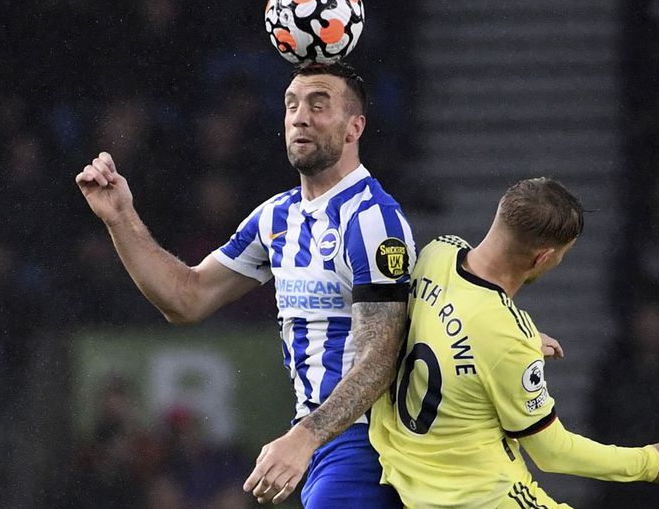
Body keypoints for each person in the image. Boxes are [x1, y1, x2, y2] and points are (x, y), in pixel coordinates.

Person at [75, 62, 415, 507]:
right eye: (291, 105)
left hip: (368, 442)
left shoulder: (373, 220)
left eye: (318, 105)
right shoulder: (276, 217)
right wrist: (120, 217)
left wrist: (304, 437)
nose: (300, 117)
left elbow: (381, 358)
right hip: (324, 443)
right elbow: (187, 298)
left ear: (355, 127)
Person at [369, 178, 659, 509]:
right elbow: (552, 452)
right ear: (542, 258)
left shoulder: (437, 252)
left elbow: (434, 327)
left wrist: (511, 344)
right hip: (484, 497)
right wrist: (649, 462)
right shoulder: (508, 338)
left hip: (412, 483)